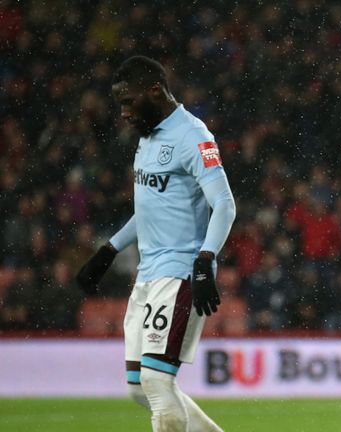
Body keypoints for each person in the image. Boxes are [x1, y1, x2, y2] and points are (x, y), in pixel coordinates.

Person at [76, 56, 236, 432]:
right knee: (139, 388)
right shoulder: (147, 138)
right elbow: (151, 208)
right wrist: (108, 250)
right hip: (148, 275)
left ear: (154, 91)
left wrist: (204, 260)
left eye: (128, 102)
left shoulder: (193, 135)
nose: (124, 113)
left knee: (157, 382)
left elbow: (225, 204)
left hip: (179, 271)